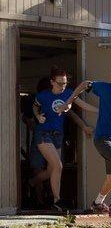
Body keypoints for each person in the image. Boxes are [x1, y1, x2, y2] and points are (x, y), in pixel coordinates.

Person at [61, 62, 111, 219]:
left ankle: (98, 202)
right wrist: (70, 100)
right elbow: (85, 84)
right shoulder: (105, 88)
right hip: (102, 138)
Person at [30, 67, 97, 212]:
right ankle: (57, 200)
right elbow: (35, 107)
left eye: (65, 83)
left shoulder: (68, 93)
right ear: (52, 82)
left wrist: (101, 110)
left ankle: (32, 182)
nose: (63, 86)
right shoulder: (43, 96)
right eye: (60, 83)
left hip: (57, 135)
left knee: (51, 170)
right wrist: (38, 116)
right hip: (43, 133)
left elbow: (82, 105)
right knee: (58, 166)